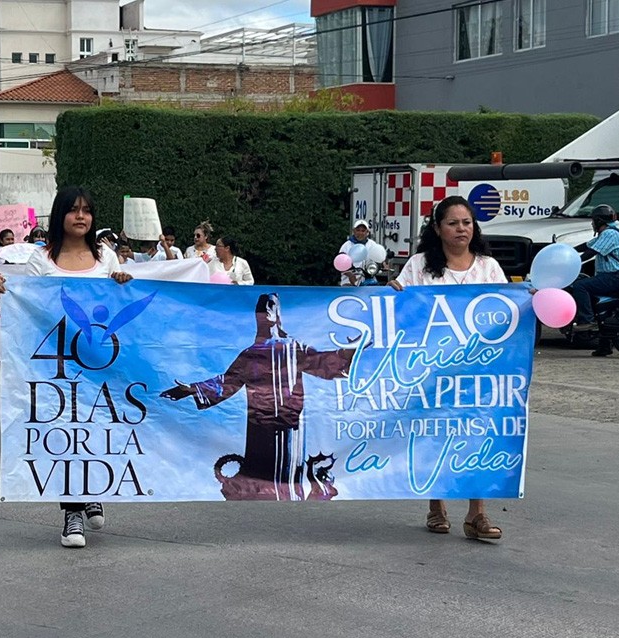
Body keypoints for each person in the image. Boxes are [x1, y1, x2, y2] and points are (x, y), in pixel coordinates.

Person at [0, 187, 133, 549]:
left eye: (86, 210)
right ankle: (72, 512)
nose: (81, 217)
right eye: (73, 211)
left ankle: (93, 489)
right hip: (57, 364)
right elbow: (29, 301)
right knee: (65, 430)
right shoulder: (42, 260)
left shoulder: (107, 258)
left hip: (102, 363)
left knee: (99, 426)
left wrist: (123, 283)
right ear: (60, 216)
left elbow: (123, 304)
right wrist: (5, 290)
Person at [159, 294, 356, 502]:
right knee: (260, 477)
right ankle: (261, 515)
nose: (266, 310)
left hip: (290, 427)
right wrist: (192, 389)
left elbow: (323, 363)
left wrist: (349, 352)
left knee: (288, 475)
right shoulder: (250, 354)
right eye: (262, 307)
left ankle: (292, 514)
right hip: (259, 426)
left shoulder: (293, 348)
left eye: (271, 305)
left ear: (278, 313)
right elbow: (228, 381)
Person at [388, 195, 506, 540]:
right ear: (438, 228)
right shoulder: (420, 266)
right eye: (453, 223)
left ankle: (477, 515)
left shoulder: (488, 267)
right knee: (433, 434)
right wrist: (391, 292)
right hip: (432, 369)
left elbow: (504, 312)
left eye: (467, 223)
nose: (461, 229)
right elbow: (398, 311)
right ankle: (436, 506)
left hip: (479, 370)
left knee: (478, 435)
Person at [571, 205, 619, 353]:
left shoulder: (610, 234)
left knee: (580, 286)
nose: (592, 223)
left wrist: (572, 263)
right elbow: (586, 246)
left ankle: (587, 321)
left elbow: (591, 252)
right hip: (610, 277)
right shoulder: (605, 234)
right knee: (602, 309)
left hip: (614, 277)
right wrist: (567, 250)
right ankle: (604, 346)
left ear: (599, 220)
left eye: (593, 220)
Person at [339, 220, 373, 286]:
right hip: (349, 283)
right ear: (354, 231)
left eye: (363, 231)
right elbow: (340, 263)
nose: (360, 233)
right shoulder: (346, 245)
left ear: (367, 232)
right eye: (358, 230)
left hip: (367, 282)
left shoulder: (371, 244)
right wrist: (350, 275)